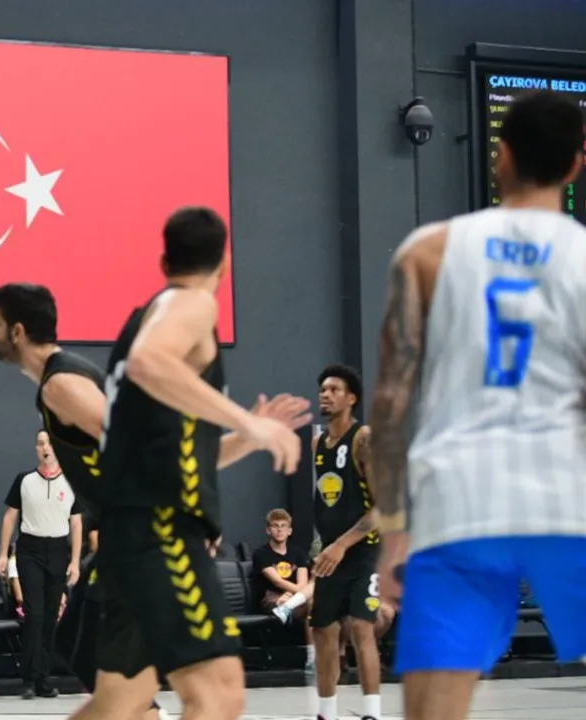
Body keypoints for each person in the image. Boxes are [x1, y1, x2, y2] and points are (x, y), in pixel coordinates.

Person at [0, 279, 310, 720]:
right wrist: (244, 440)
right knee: (139, 705)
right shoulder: (61, 382)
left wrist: (237, 446)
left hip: (144, 546)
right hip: (126, 551)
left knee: (154, 703)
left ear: (18, 331)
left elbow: (140, 448)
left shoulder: (60, 384)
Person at [368, 90, 586, 720]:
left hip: (458, 499)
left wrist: (394, 530)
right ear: (576, 166)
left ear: (502, 155)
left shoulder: (427, 251)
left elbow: (389, 403)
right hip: (567, 499)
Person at [68, 207, 302, 720]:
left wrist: (246, 438)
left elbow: (184, 454)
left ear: (163, 260)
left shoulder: (143, 318)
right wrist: (248, 420)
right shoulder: (192, 303)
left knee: (119, 702)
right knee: (218, 696)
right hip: (163, 531)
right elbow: (151, 362)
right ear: (225, 262)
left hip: (130, 533)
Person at [309, 364, 389, 720]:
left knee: (360, 626)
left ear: (351, 398)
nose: (325, 394)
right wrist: (328, 545)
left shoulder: (363, 438)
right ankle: (326, 714)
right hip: (330, 553)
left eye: (334, 389)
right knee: (322, 630)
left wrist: (343, 544)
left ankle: (372, 714)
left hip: (363, 550)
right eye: (322, 390)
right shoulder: (317, 444)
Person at [0, 430, 83, 699]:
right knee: (34, 614)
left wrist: (75, 561)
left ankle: (43, 677)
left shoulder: (71, 481)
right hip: (30, 550)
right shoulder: (24, 480)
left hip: (57, 550)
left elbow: (76, 523)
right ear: (36, 449)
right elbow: (10, 517)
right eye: (40, 443)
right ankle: (28, 678)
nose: (45, 448)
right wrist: (3, 553)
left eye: (49, 443)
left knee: (50, 615)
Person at [250, 510, 314, 668]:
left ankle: (312, 658)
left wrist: (291, 596)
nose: (279, 530)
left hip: (292, 598)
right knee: (307, 597)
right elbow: (277, 581)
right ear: (268, 530)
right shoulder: (261, 554)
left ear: (290, 531)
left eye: (283, 526)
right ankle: (286, 607)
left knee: (313, 602)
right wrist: (293, 594)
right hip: (271, 598)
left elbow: (303, 583)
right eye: (275, 526)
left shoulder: (298, 553)